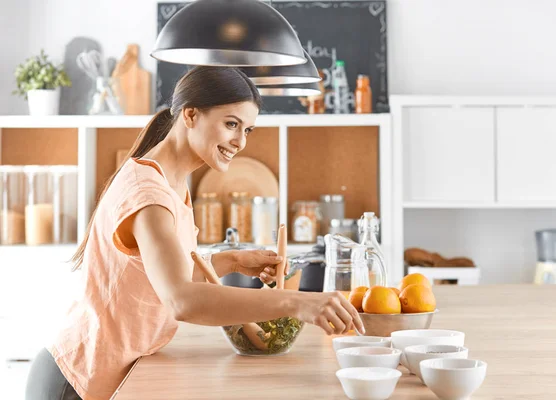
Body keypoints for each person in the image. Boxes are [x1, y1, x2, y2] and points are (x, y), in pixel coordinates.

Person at [24, 66, 364, 400]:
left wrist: (228, 261)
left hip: (109, 374)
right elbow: (180, 300)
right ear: (190, 116)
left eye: (248, 130)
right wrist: (296, 302)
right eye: (231, 124)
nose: (240, 141)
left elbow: (156, 275)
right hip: (77, 380)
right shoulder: (148, 194)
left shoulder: (171, 182)